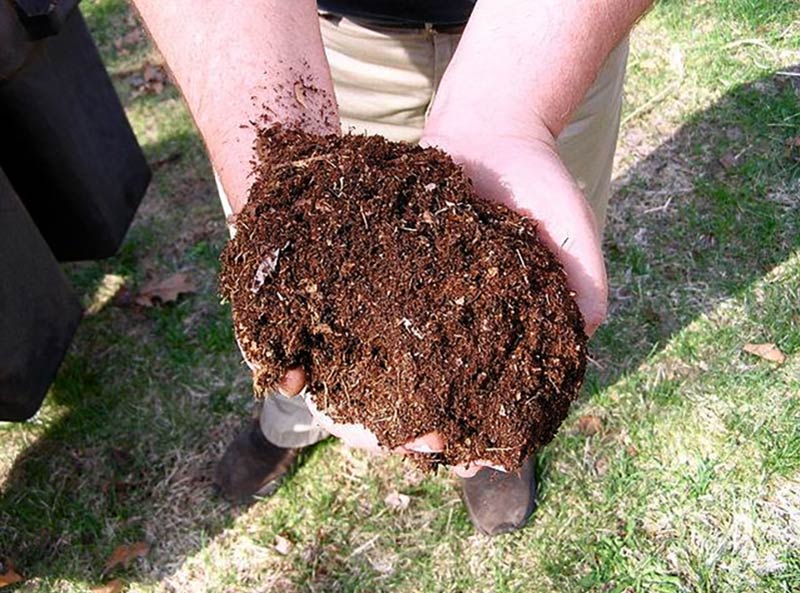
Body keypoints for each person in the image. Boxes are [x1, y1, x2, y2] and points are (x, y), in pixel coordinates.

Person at [131, 0, 653, 536]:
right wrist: (282, 173)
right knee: (288, 300)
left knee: (536, 255)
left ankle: (496, 438)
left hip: (555, 35)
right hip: (303, 44)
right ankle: (288, 423)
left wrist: (513, 116)